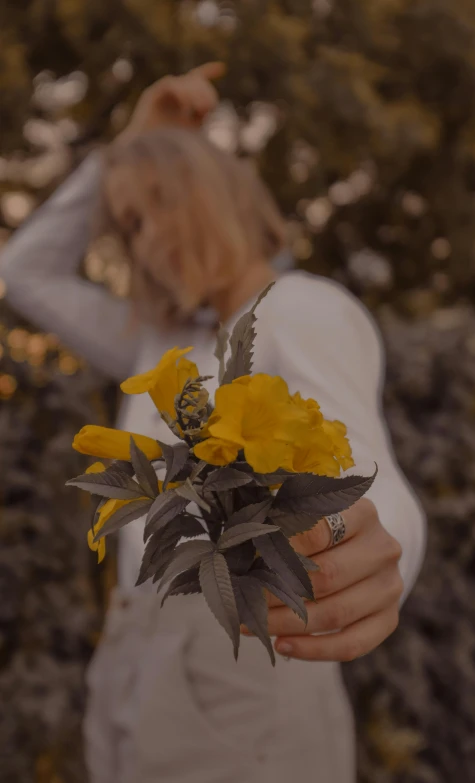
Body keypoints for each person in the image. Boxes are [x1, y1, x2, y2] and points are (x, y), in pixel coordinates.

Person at [1, 63, 426, 783]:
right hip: (138, 643)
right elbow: (26, 270)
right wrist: (130, 144)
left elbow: (364, 477)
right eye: (128, 227)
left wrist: (376, 559)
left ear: (217, 193)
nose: (142, 243)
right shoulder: (164, 342)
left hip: (237, 652)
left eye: (157, 206)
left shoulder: (298, 305)